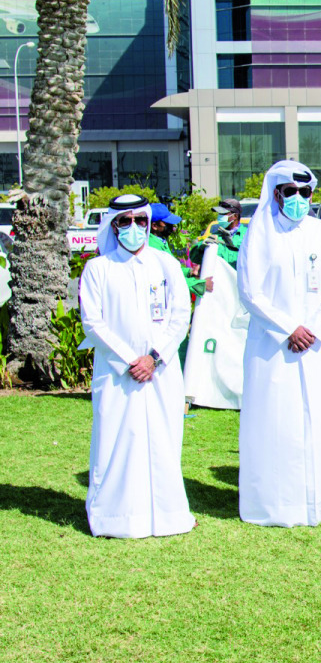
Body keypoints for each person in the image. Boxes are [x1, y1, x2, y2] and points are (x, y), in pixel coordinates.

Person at [237, 161, 321, 527]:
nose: (299, 199)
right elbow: (251, 292)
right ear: (276, 194)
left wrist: (313, 329)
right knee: (276, 424)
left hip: (317, 347)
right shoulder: (259, 236)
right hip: (274, 348)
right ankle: (275, 506)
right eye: (291, 192)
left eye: (306, 193)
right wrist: (290, 328)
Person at [78, 194, 195, 538]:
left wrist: (154, 358)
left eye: (140, 221)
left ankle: (169, 516)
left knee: (164, 439)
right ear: (113, 226)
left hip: (161, 370)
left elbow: (180, 315)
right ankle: (116, 519)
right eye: (124, 221)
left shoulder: (166, 264)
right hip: (118, 373)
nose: (134, 228)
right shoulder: (97, 269)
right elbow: (93, 323)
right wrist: (131, 361)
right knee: (116, 440)